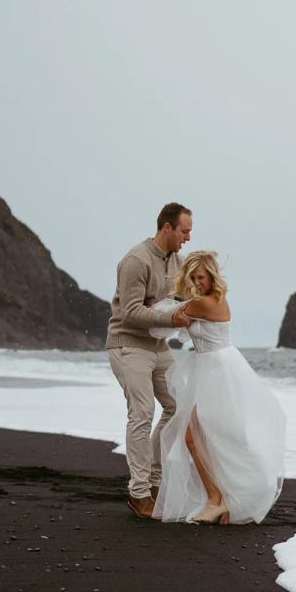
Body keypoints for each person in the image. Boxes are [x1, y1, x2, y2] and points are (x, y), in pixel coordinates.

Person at [154, 251, 287, 525]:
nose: (196, 282)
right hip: (215, 368)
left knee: (195, 438)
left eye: (200, 277)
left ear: (211, 276)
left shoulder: (204, 303)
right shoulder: (213, 299)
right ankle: (222, 500)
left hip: (217, 372)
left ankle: (218, 499)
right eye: (192, 277)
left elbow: (168, 316)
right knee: (211, 439)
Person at [106, 202, 194, 519]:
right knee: (142, 413)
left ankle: (155, 483)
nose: (187, 237)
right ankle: (139, 491)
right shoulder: (136, 260)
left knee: (178, 406)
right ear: (166, 227)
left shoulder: (178, 261)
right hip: (128, 344)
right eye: (184, 231)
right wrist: (173, 322)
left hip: (158, 347)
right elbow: (130, 311)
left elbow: (185, 297)